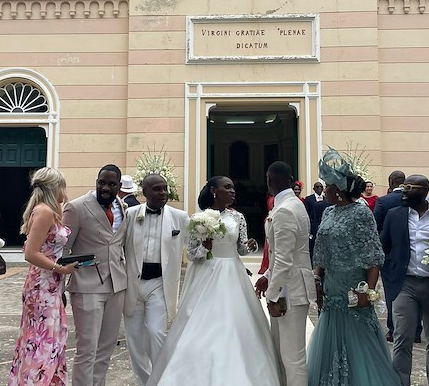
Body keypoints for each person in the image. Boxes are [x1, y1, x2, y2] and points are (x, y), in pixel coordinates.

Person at [147, 176, 281, 385]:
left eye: (233, 187)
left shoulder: (238, 217)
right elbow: (191, 254)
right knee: (201, 322)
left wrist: (251, 246)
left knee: (237, 321)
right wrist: (205, 248)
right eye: (227, 187)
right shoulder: (198, 218)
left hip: (233, 272)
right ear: (213, 191)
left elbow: (240, 249)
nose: (232, 191)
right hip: (206, 273)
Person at [307, 149, 401, 386]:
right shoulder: (328, 211)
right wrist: (317, 279)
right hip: (331, 288)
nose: (324, 188)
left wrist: (368, 292)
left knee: (359, 341)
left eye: (327, 185)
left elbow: (373, 256)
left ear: (337, 190)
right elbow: (321, 251)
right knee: (331, 338)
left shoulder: (361, 213)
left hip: (354, 289)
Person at [381, 174, 429, 386]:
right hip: (405, 285)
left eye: (409, 188)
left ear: (423, 191)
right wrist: (390, 272)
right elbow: (383, 246)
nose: (403, 191)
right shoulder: (394, 215)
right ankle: (401, 382)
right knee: (402, 338)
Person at [9, 168, 78, 384]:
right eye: (62, 187)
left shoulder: (49, 210)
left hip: (49, 285)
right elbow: (31, 253)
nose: (64, 193)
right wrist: (61, 269)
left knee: (48, 337)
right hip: (42, 285)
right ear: (54, 188)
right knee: (42, 339)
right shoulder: (45, 211)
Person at [63, 164, 128, 386]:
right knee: (87, 349)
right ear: (96, 182)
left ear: (119, 186)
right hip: (86, 285)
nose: (105, 188)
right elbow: (63, 249)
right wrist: (60, 285)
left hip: (116, 285)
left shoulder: (122, 207)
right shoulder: (76, 207)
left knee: (106, 347)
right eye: (102, 182)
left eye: (111, 184)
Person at [123, 173, 189, 385]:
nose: (163, 193)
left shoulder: (180, 216)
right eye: (157, 189)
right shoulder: (131, 214)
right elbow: (116, 245)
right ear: (144, 193)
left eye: (164, 188)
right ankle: (145, 381)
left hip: (159, 284)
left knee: (156, 332)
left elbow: (194, 246)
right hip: (132, 283)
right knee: (134, 339)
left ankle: (161, 380)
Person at [256, 161, 315, 386]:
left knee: (293, 357)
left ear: (269, 180)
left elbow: (283, 258)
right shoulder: (293, 204)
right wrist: (267, 276)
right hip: (287, 284)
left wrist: (273, 295)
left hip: (290, 290)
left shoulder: (285, 210)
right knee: (283, 352)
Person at [374, 169, 406, 342]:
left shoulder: (384, 202)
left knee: (392, 292)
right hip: (409, 252)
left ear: (391, 182)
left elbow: (376, 228)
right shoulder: (413, 199)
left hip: (389, 253)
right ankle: (415, 330)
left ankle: (393, 328)